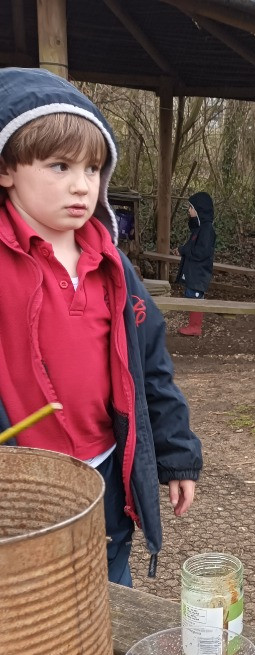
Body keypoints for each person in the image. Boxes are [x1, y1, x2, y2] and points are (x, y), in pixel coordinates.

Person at [0, 67, 202, 586]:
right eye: (59, 165)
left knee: (110, 591)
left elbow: (151, 366)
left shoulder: (114, 265)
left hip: (108, 470)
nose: (80, 185)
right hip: (21, 484)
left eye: (92, 169)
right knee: (28, 610)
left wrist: (177, 457)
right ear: (6, 169)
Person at [176, 191, 215, 337]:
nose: (189, 210)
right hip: (193, 272)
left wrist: (184, 250)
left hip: (199, 273)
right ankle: (192, 325)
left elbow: (201, 252)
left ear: (200, 210)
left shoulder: (207, 230)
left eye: (191, 208)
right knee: (191, 295)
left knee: (196, 298)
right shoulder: (199, 229)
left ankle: (195, 326)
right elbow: (193, 230)